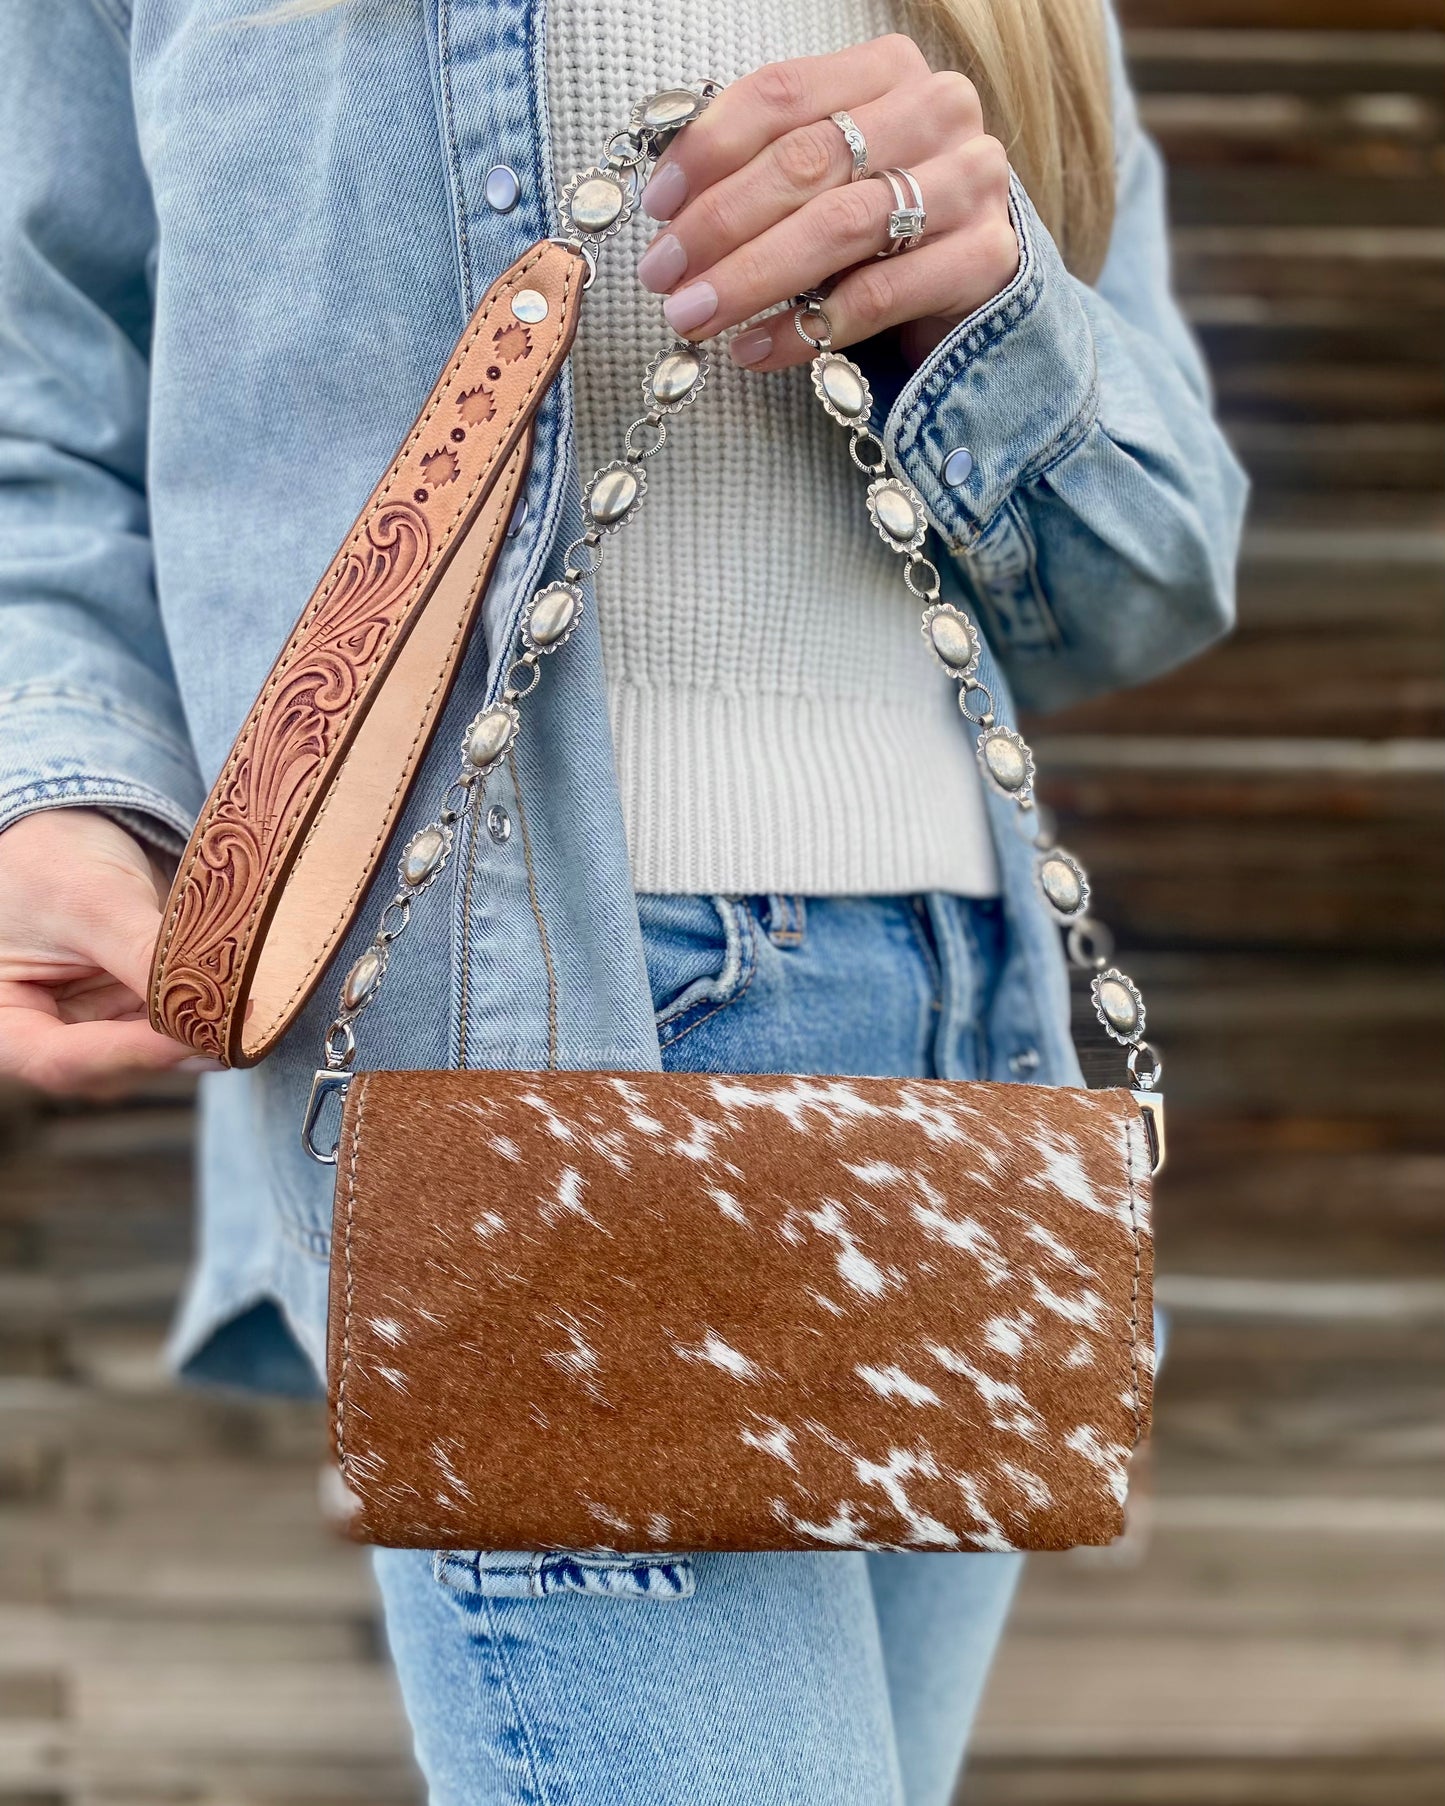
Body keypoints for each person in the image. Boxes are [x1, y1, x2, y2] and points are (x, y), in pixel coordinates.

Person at [0, 1, 1246, 1800]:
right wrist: (52, 779)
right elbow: (37, 391)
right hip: (532, 1050)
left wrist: (977, 314)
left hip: (965, 1048)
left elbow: (1153, 567)